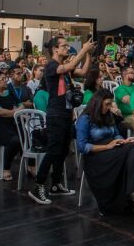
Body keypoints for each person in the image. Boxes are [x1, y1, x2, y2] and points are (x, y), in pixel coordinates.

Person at [28, 36, 96, 205]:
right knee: (53, 150)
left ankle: (56, 184)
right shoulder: (51, 65)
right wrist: (84, 49)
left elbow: (83, 72)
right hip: (55, 114)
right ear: (55, 50)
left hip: (66, 113)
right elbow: (72, 65)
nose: (67, 48)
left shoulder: (64, 70)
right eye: (64, 46)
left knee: (63, 150)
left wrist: (89, 55)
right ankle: (38, 185)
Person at [76, 90, 134, 218]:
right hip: (96, 155)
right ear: (98, 103)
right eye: (107, 104)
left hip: (113, 149)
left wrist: (123, 140)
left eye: (111, 104)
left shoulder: (108, 116)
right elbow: (82, 147)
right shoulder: (85, 119)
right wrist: (107, 146)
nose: (110, 107)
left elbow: (115, 134)